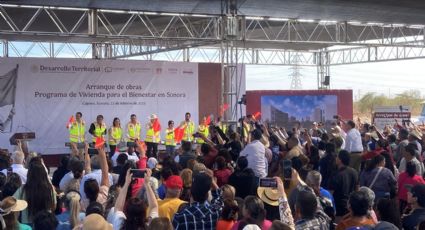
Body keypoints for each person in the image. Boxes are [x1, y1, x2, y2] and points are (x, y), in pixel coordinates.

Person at [13, 158, 56, 225]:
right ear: (44, 174)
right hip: (46, 223)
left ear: (29, 174)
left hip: (27, 223)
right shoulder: (50, 188)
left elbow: (12, 203)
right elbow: (54, 205)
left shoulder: (22, 189)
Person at [329, 150, 358, 217]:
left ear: (340, 160)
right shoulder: (354, 172)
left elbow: (331, 192)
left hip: (338, 207)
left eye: (337, 157)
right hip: (350, 207)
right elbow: (357, 189)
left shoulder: (337, 174)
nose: (336, 159)